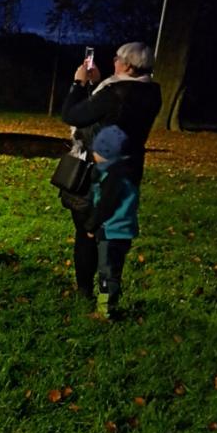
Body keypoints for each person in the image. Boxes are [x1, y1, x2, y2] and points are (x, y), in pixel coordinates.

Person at [60, 41, 161, 300]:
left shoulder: (115, 93)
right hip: (127, 171)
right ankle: (108, 297)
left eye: (117, 58)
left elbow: (72, 115)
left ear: (127, 65)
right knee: (112, 240)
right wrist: (97, 84)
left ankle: (85, 292)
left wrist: (78, 83)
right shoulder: (151, 93)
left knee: (86, 233)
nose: (114, 61)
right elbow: (109, 115)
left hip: (95, 170)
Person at [83, 125, 140, 319]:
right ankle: (108, 305)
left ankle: (105, 311)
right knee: (112, 270)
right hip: (122, 231)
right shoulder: (126, 172)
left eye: (96, 152)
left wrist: (92, 226)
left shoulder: (113, 179)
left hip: (111, 231)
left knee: (107, 273)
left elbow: (106, 206)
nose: (93, 155)